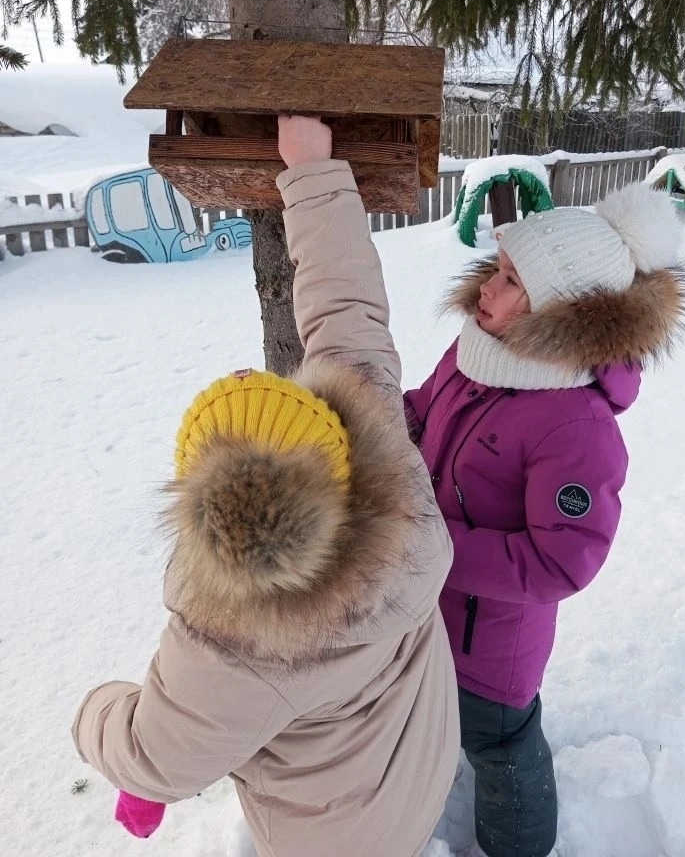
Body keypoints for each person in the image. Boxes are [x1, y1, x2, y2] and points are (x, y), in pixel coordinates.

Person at [72, 115, 460, 857]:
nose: (252, 374)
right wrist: (312, 171)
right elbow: (348, 316)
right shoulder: (392, 474)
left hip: (334, 837)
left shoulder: (234, 634)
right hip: (420, 765)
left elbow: (155, 758)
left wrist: (95, 711)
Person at [403, 185, 685, 857]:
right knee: (426, 716)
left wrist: (427, 546)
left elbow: (559, 562)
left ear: (560, 309)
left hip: (489, 646)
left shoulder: (575, 426)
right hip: (418, 608)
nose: (488, 286)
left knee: (501, 746)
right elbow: (422, 409)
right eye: (497, 269)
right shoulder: (475, 351)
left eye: (511, 280)